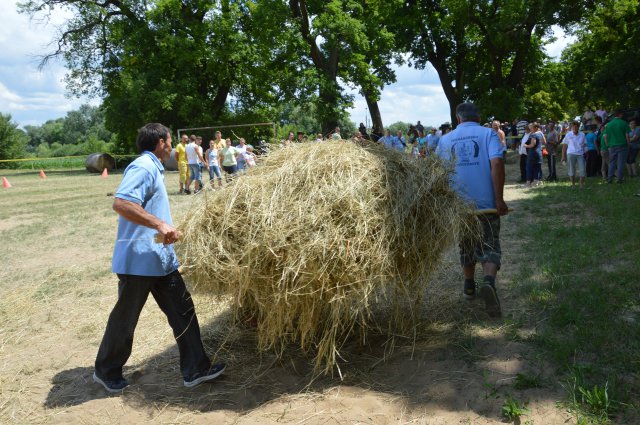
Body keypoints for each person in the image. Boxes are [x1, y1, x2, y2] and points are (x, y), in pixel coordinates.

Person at [93, 123, 226, 393]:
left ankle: (196, 369)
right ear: (161, 143)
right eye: (169, 142)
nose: (171, 148)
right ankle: (106, 370)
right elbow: (121, 203)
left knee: (183, 310)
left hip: (159, 258)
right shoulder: (143, 166)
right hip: (139, 261)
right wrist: (159, 225)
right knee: (125, 318)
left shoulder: (154, 167)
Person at [435, 103, 507, 318]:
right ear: (478, 116)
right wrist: (499, 199)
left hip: (460, 206)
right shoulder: (489, 134)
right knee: (490, 243)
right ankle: (488, 282)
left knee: (466, 244)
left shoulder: (445, 140)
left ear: (458, 119)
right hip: (487, 204)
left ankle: (468, 286)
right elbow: (497, 164)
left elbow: (438, 172)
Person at [603, 109, 631, 183]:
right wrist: (628, 144)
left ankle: (609, 179)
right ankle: (619, 179)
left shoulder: (609, 124)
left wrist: (607, 145)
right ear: (620, 114)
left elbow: (605, 136)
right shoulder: (624, 123)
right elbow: (627, 135)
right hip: (623, 145)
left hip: (612, 146)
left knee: (612, 163)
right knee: (621, 163)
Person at [561, 121, 587, 187]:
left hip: (580, 154)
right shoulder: (568, 134)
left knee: (582, 169)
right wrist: (563, 156)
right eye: (573, 127)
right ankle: (573, 184)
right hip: (571, 153)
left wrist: (586, 152)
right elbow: (564, 146)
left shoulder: (582, 134)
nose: (575, 128)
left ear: (578, 127)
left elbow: (585, 144)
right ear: (572, 127)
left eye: (576, 126)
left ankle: (581, 184)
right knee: (571, 170)